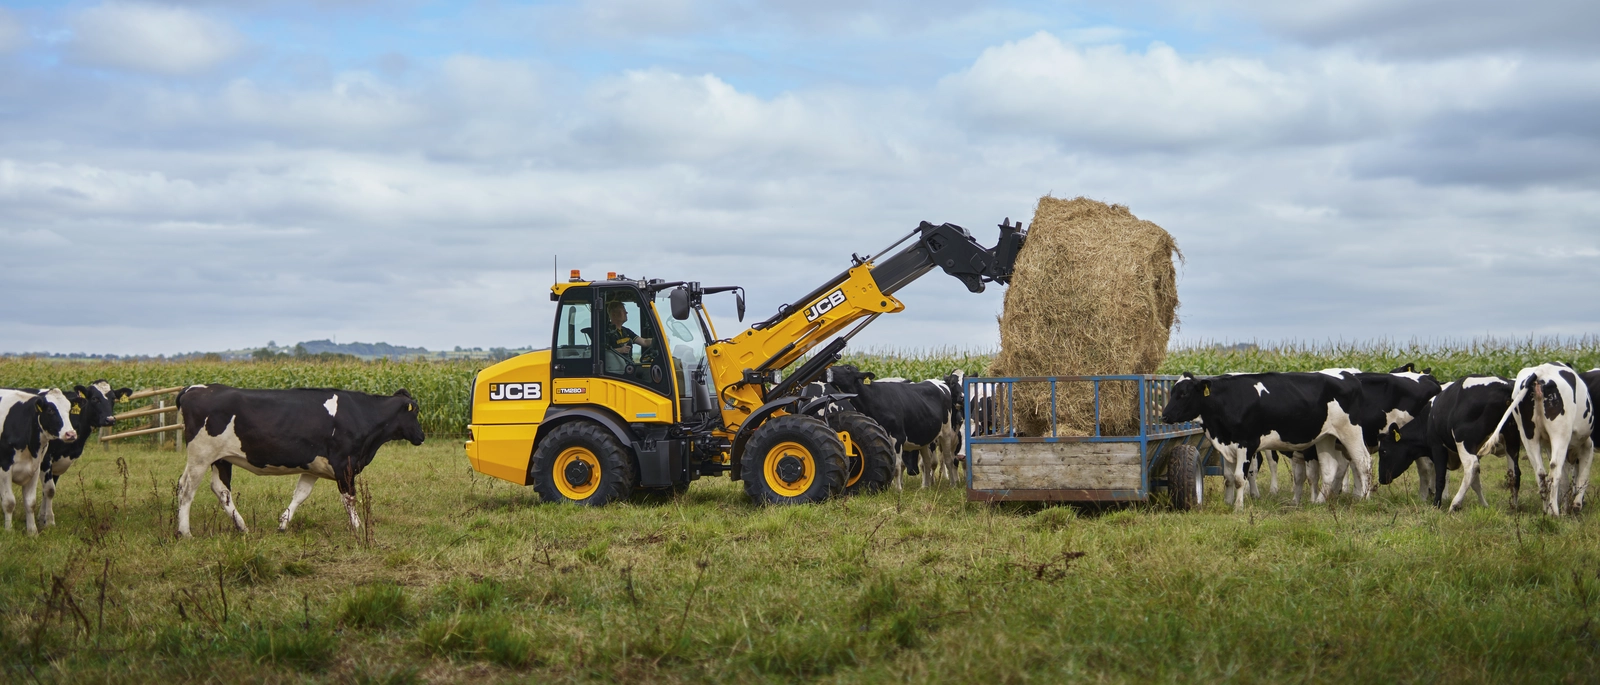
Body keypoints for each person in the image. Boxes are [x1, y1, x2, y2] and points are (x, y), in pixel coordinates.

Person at [604, 300, 658, 367]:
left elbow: (644, 342)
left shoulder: (626, 331)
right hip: (616, 370)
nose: (626, 312)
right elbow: (602, 353)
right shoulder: (605, 332)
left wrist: (659, 340)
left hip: (629, 366)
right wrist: (620, 350)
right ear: (614, 314)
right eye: (623, 311)